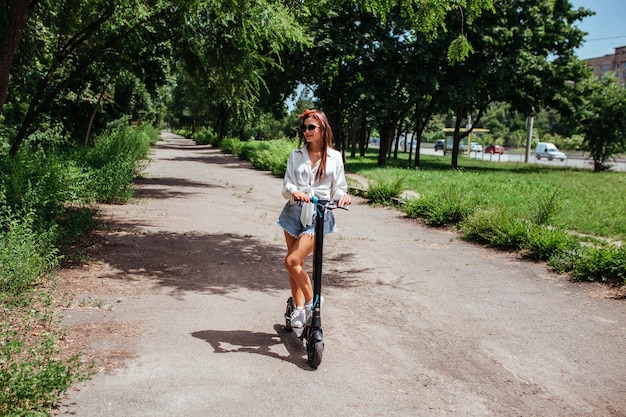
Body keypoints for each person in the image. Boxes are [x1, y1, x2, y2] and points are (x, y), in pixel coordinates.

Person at [278, 109, 351, 328]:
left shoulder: (334, 157)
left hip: (318, 215)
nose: (307, 131)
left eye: (312, 127)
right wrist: (294, 192)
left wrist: (343, 196)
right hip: (293, 212)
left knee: (291, 261)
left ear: (323, 129)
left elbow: (338, 187)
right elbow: (287, 184)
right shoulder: (296, 155)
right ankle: (299, 309)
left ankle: (311, 304)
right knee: (295, 264)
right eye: (305, 127)